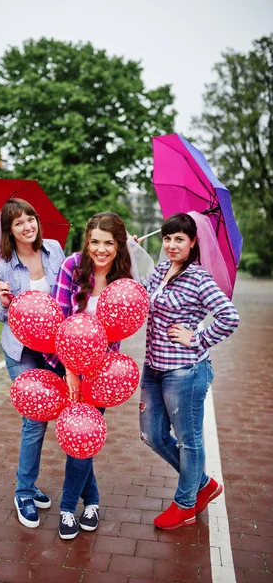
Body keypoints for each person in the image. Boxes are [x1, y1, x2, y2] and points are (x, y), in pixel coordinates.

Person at [138, 212, 240, 531]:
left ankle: (185, 504)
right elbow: (136, 294)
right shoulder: (159, 272)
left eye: (179, 238)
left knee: (188, 441)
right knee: (151, 435)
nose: (171, 244)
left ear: (193, 242)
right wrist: (129, 250)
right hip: (153, 368)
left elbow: (229, 317)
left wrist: (196, 338)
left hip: (185, 371)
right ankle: (204, 484)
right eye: (167, 238)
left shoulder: (198, 278)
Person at [51, 212, 133, 540]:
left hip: (102, 373)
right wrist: (71, 370)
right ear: (87, 242)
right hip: (67, 367)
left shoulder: (122, 278)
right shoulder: (73, 266)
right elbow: (59, 318)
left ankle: (68, 508)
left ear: (118, 246)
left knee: (83, 439)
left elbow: (119, 330)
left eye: (109, 243)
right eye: (95, 242)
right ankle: (90, 502)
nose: (100, 249)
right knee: (79, 438)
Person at [0, 198, 65, 529]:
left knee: (48, 416)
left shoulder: (53, 250)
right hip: (21, 350)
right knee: (34, 418)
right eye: (19, 222)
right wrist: (5, 302)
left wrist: (123, 251)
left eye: (31, 218)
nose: (28, 225)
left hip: (53, 349)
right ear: (10, 231)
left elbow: (71, 289)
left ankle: (31, 483)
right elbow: (0, 314)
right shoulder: (5, 264)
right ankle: (23, 491)